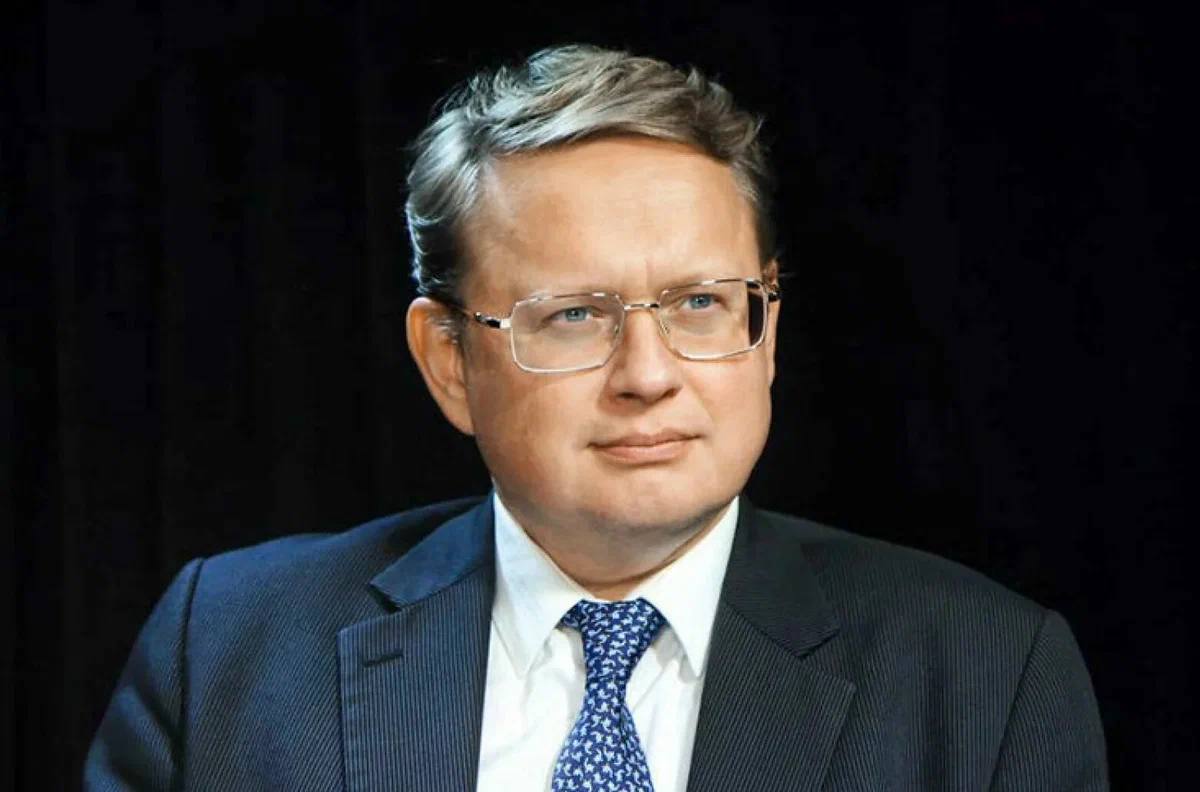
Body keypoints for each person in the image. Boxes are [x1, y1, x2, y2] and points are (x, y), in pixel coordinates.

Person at [85, 44, 1108, 791]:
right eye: (574, 315)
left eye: (700, 303)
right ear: (449, 361)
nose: (648, 376)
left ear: (768, 330)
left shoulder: (986, 677)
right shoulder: (233, 652)